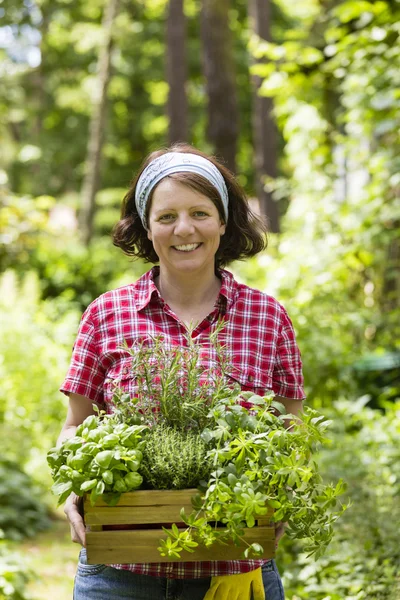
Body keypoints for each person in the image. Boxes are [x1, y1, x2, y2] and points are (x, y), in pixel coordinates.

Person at [57, 143, 305, 600]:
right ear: (146, 228)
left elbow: (291, 428)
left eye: (200, 213)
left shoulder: (268, 318)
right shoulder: (106, 314)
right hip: (120, 572)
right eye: (166, 216)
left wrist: (287, 491)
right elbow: (76, 424)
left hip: (233, 565)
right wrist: (73, 485)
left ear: (224, 222)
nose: (184, 229)